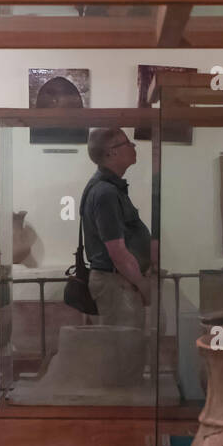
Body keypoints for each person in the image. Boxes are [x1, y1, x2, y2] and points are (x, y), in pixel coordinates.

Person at [80, 127, 159, 328]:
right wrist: (142, 285)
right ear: (112, 152)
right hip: (116, 282)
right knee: (123, 347)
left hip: (120, 281)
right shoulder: (105, 192)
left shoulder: (109, 188)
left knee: (128, 346)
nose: (133, 146)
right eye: (127, 143)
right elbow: (118, 251)